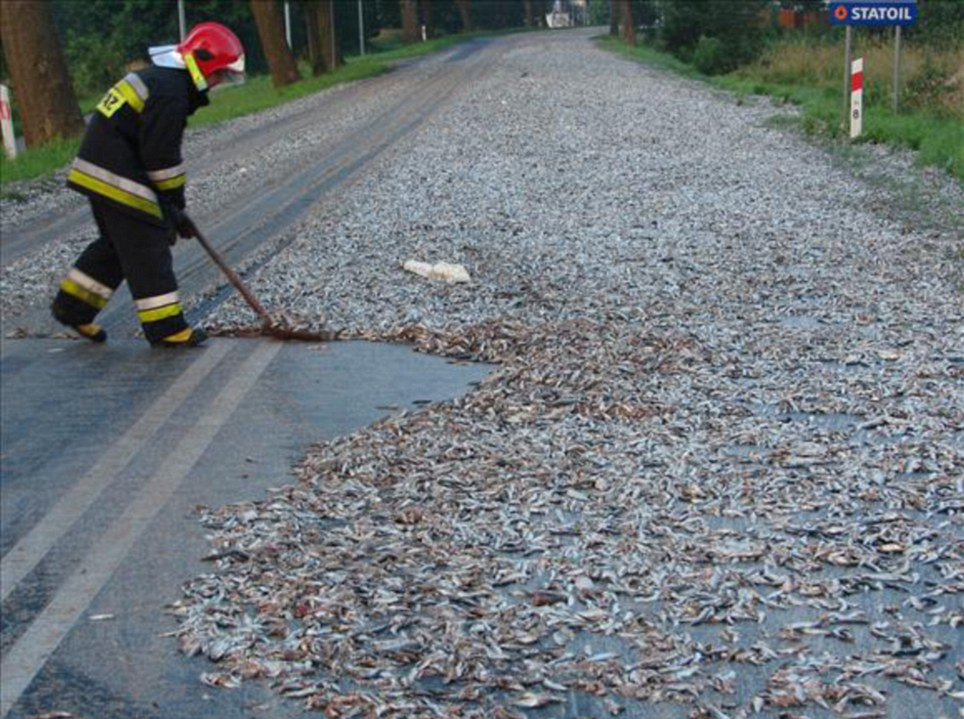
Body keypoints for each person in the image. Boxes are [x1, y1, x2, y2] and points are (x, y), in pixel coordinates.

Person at [50, 22, 245, 347]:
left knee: (116, 245)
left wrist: (171, 208)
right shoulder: (170, 94)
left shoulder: (164, 80)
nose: (217, 83)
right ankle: (166, 328)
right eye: (218, 75)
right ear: (201, 64)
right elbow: (161, 158)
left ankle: (72, 309)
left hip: (98, 167)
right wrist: (173, 206)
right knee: (147, 245)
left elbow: (147, 149)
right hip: (115, 172)